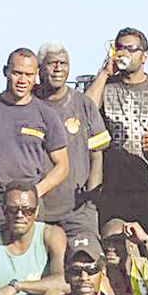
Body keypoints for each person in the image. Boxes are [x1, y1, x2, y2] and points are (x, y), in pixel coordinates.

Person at [0, 48, 68, 231]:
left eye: (29, 75)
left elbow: (62, 166)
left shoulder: (46, 115)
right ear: (5, 71)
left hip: (27, 211)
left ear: (36, 75)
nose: (23, 80)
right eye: (17, 73)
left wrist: (34, 193)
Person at [89, 28, 148, 235]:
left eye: (130, 49)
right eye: (119, 48)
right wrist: (105, 73)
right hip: (113, 186)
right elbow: (86, 110)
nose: (123, 53)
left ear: (144, 55)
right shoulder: (106, 85)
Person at [36, 41, 107, 239]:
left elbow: (97, 155)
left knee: (86, 256)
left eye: (64, 63)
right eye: (52, 63)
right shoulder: (27, 103)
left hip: (76, 211)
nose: (58, 68)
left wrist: (91, 201)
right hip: (36, 209)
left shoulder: (83, 104)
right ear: (40, 68)